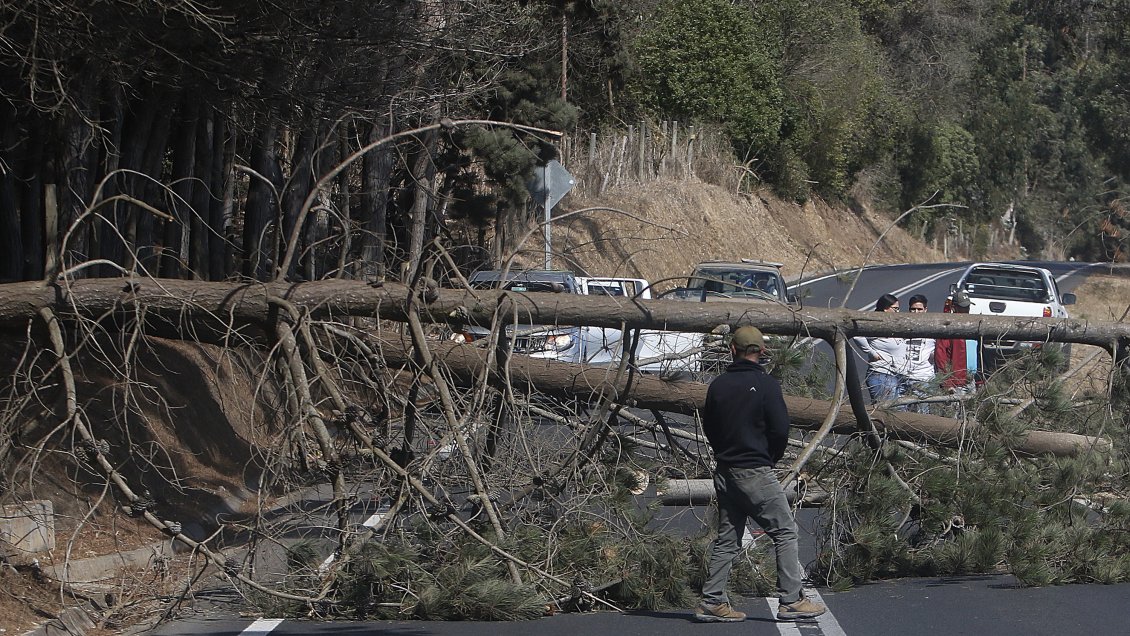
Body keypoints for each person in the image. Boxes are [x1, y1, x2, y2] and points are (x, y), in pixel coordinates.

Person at [694, 326, 827, 623]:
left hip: (725, 470)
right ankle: (791, 600)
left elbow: (710, 426)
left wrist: (724, 452)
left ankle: (712, 600)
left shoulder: (718, 385)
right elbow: (780, 428)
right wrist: (769, 457)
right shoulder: (766, 385)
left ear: (732, 349)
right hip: (754, 469)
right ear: (762, 351)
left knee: (729, 536)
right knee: (785, 531)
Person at [852, 293, 908, 406]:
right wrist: (871, 352)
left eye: (898, 309)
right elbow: (857, 335)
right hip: (882, 375)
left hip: (898, 375)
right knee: (885, 411)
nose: (898, 312)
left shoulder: (893, 324)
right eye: (895, 309)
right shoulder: (876, 324)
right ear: (885, 308)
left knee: (899, 411)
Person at [902, 294, 936, 412]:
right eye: (913, 309)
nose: (916, 312)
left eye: (919, 309)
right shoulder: (902, 326)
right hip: (903, 377)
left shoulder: (933, 328)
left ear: (925, 309)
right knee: (902, 414)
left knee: (922, 414)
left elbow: (941, 348)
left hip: (923, 378)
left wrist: (934, 355)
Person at [935, 290, 972, 392]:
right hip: (955, 383)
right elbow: (941, 357)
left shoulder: (972, 326)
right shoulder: (948, 328)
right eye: (963, 307)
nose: (967, 310)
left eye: (968, 306)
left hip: (971, 381)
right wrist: (947, 383)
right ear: (954, 307)